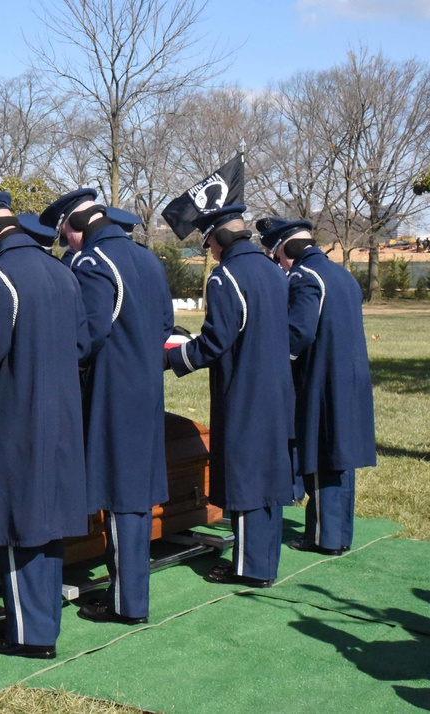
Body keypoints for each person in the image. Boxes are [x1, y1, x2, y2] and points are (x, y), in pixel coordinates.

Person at [0, 192, 90, 659]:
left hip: (18, 415)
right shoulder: (61, 271)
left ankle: (30, 637)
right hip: (63, 414)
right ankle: (41, 623)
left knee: (19, 524)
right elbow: (81, 343)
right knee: (47, 524)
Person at [40, 189, 172, 624]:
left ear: (72, 228)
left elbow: (86, 335)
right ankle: (129, 595)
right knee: (132, 498)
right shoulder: (148, 259)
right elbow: (166, 324)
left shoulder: (93, 262)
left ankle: (127, 604)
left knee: (121, 497)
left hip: (111, 392)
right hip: (147, 388)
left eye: (65, 236)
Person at [165, 204, 294, 588]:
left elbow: (217, 341)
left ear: (218, 237)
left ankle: (249, 566)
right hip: (275, 385)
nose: (210, 252)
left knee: (246, 476)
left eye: (208, 243)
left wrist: (173, 357)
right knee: (267, 474)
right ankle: (263, 560)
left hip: (244, 388)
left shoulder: (227, 277)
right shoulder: (272, 270)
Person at [257, 217, 376, 556]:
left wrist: (278, 363)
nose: (278, 263)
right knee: (341, 457)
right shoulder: (343, 275)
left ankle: (325, 536)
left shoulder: (305, 276)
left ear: (289, 248)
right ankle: (339, 532)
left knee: (323, 456)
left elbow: (299, 332)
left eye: (277, 255)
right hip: (350, 377)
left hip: (323, 379)